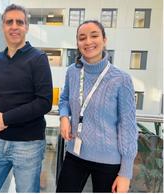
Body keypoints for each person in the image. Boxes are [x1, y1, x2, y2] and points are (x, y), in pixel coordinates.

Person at [0, 4, 53, 193]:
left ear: (26, 27)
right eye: (9, 22)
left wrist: (5, 119)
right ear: (3, 26)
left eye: (19, 22)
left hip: (29, 145)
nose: (14, 26)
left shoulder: (38, 58)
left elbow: (44, 102)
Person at [56, 20, 138, 193]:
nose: (88, 42)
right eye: (82, 38)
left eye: (94, 36)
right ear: (77, 43)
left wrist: (126, 173)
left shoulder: (121, 79)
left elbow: (128, 127)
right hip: (75, 154)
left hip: (109, 161)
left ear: (104, 40)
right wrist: (64, 117)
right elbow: (64, 99)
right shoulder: (72, 71)